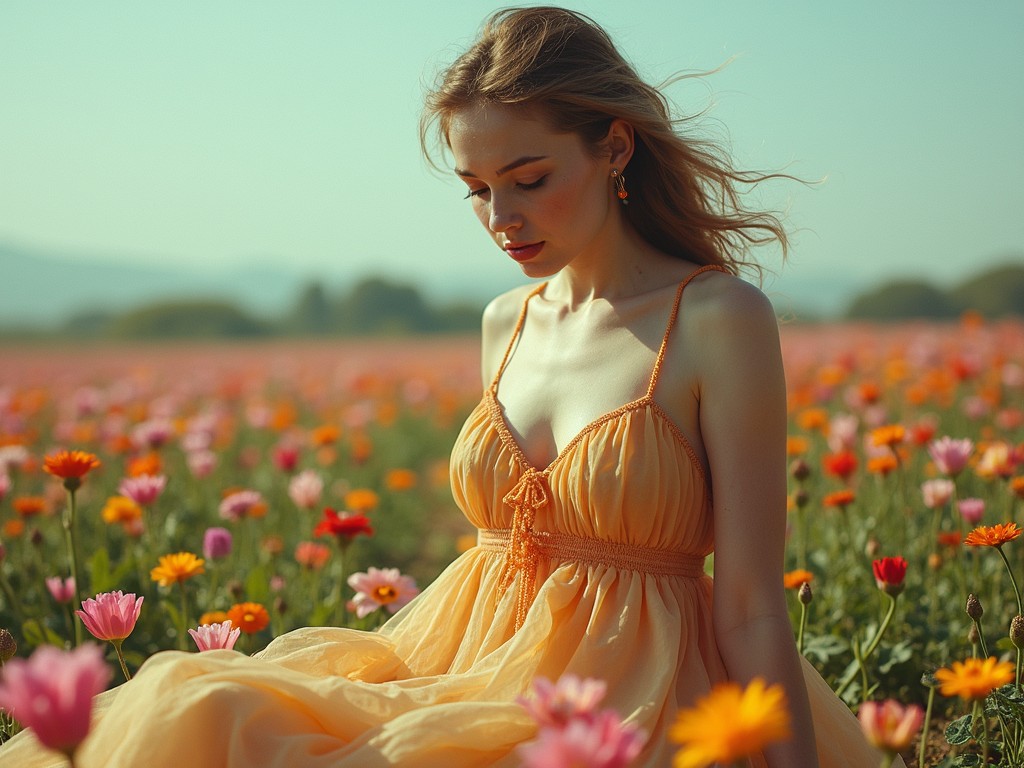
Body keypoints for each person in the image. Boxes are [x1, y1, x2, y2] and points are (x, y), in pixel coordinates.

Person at [0, 7, 896, 768]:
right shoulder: (504, 323)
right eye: (475, 190)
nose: (502, 219)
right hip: (468, 665)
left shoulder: (716, 318)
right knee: (207, 708)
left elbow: (748, 603)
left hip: (635, 698)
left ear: (615, 147)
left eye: (529, 180)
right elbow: (504, 562)